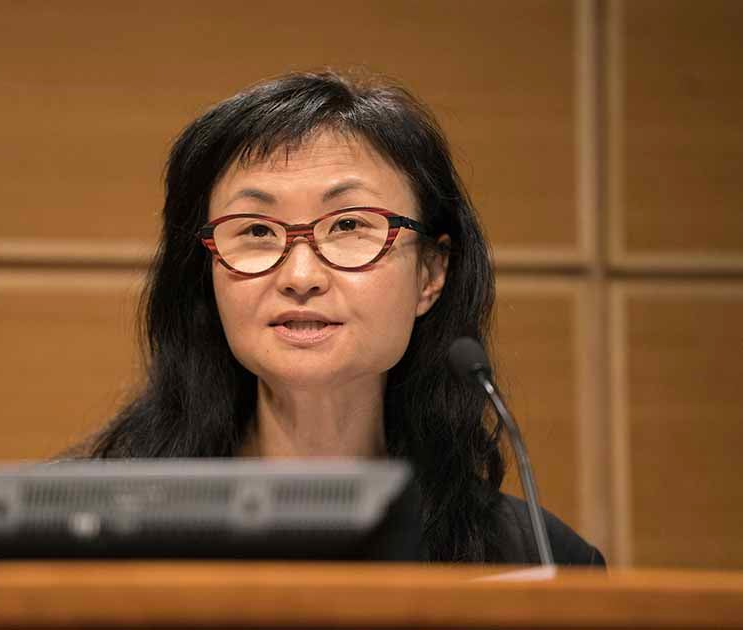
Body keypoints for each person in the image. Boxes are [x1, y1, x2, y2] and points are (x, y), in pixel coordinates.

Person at [61, 70, 605, 565]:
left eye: (348, 225)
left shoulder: (533, 558)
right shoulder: (86, 539)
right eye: (256, 230)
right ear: (206, 274)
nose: (301, 275)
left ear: (431, 273)